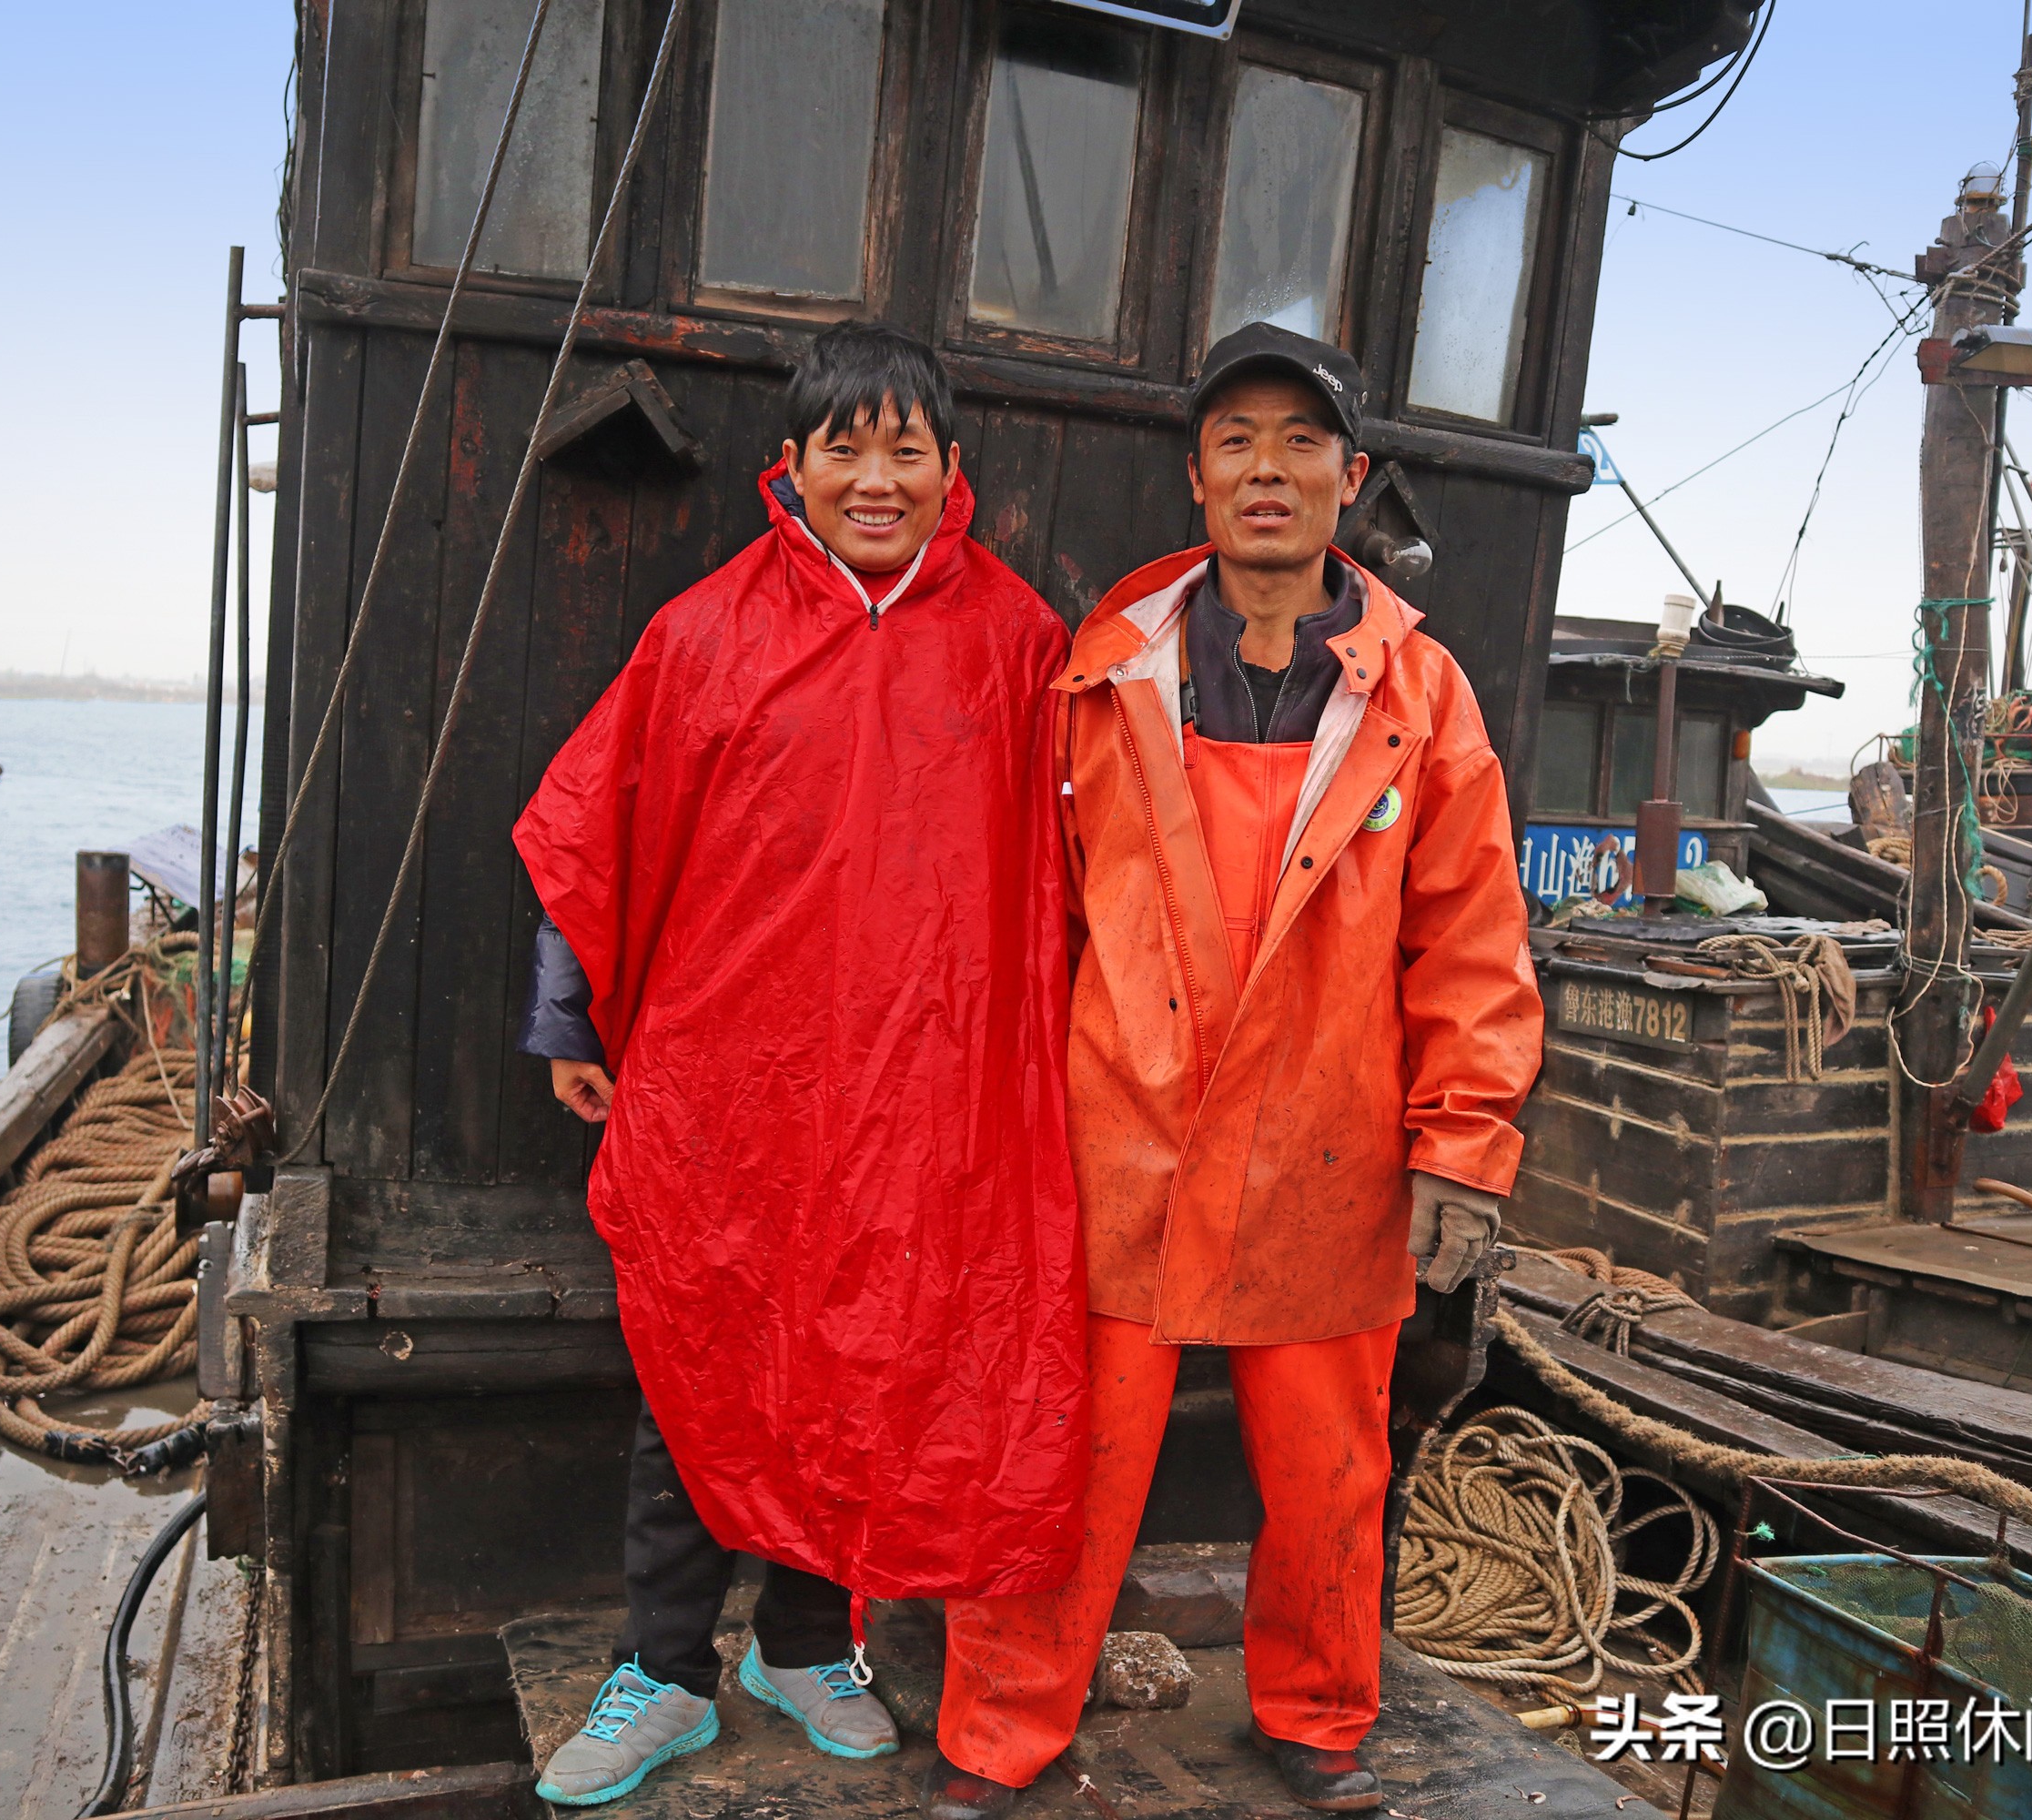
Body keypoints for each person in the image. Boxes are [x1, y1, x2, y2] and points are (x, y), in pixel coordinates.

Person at [923, 324, 1543, 1819]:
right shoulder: (1101, 676)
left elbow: (1471, 933)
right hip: (1115, 1134)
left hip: (1325, 1146)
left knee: (1331, 1468)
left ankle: (1321, 1715)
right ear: (1193, 476)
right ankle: (1003, 1728)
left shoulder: (1424, 693)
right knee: (1058, 1463)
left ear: (1355, 477)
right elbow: (1024, 922)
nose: (1269, 471)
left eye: (1302, 443)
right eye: (1237, 442)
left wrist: (1463, 1143)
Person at [511, 321, 1085, 1807]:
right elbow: (599, 815)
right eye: (849, 447)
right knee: (701, 1366)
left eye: (907, 448)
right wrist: (573, 1020)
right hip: (733, 1082)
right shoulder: (707, 631)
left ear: (952, 468)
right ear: (797, 463)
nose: (877, 478)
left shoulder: (1018, 643)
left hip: (924, 1090)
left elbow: (1087, 870)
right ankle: (665, 1669)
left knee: (880, 1362)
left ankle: (809, 1642)